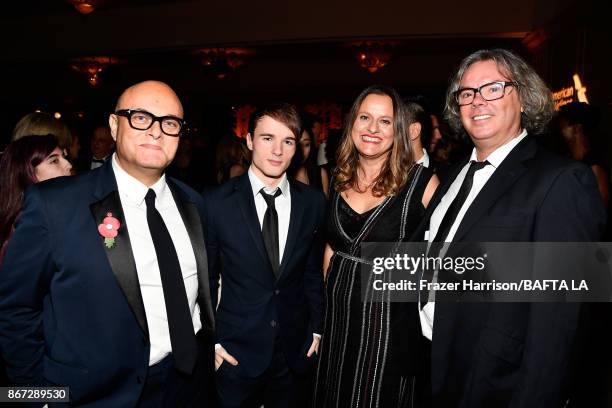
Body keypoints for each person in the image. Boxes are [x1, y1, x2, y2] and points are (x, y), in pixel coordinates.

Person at [0, 80, 215, 407]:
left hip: (186, 385)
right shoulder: (55, 205)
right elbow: (15, 309)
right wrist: (38, 397)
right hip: (93, 395)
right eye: (141, 117)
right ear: (115, 125)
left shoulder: (194, 203)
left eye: (170, 123)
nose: (156, 131)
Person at [418, 49, 605, 407]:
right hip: (434, 362)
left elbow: (562, 319)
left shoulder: (563, 180)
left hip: (497, 380)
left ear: (523, 97)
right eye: (467, 93)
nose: (477, 101)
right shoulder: (454, 175)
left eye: (493, 88)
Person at [313, 85, 438, 408]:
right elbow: (331, 248)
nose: (372, 129)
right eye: (365, 118)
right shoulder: (339, 178)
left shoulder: (421, 183)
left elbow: (444, 259)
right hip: (338, 322)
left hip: (388, 330)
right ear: (352, 123)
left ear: (398, 131)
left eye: (385, 121)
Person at [204, 103, 326, 408]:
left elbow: (312, 271)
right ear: (249, 141)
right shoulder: (216, 203)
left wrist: (318, 328)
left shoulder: (312, 202)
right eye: (267, 138)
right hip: (234, 352)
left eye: (287, 141)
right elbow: (205, 277)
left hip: (295, 351)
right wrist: (211, 341)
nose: (277, 150)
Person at [0, 134, 72, 263]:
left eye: (64, 157)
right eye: (54, 161)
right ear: (27, 173)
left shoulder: (59, 215)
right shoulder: (27, 233)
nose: (69, 165)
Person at [558, 102, 609, 206]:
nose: (560, 127)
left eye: (564, 123)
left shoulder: (594, 164)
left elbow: (601, 206)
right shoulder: (567, 159)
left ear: (577, 128)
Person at [292, 128, 330, 196]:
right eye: (298, 144)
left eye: (306, 144)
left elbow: (325, 205)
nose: (302, 150)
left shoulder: (320, 174)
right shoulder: (281, 176)